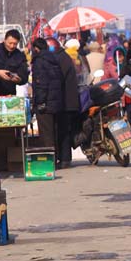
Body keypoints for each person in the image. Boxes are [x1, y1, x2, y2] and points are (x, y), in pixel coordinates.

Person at [50, 38, 80, 169]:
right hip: (69, 100)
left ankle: (65, 159)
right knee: (64, 130)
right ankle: (65, 158)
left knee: (63, 131)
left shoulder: (60, 59)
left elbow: (58, 80)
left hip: (65, 101)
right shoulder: (64, 57)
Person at [31, 38, 64, 148]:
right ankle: (55, 157)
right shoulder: (53, 59)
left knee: (46, 134)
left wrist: (40, 102)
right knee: (53, 131)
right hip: (55, 102)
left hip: (45, 104)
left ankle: (50, 162)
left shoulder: (39, 61)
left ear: (36, 48)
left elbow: (41, 84)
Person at [0, 29, 29, 97]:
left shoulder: (20, 56)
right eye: (10, 43)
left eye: (15, 44)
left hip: (8, 94)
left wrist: (19, 79)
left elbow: (24, 75)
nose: (12, 46)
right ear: (5, 40)